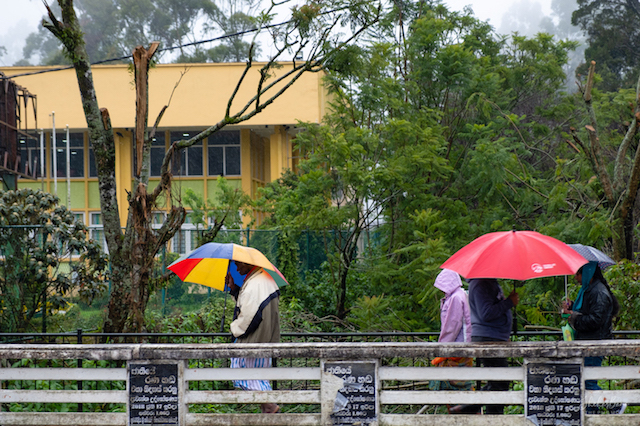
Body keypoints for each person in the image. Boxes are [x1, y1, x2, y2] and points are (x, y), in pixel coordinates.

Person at [450, 277, 519, 415]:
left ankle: (469, 409)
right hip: (488, 338)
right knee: (500, 382)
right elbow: (486, 313)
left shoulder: (489, 282)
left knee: (498, 382)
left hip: (495, 337)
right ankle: (489, 417)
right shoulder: (481, 284)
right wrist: (509, 302)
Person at [562, 261, 623, 414]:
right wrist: (570, 310)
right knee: (585, 379)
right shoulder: (587, 291)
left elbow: (595, 320)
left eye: (578, 273)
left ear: (587, 272)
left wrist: (573, 317)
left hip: (595, 343)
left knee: (587, 382)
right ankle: (592, 413)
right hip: (585, 342)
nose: (576, 277)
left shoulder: (598, 293)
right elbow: (584, 312)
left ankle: (615, 404)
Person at [226, 260, 281, 414]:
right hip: (266, 339)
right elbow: (256, 307)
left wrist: (234, 328)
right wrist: (235, 289)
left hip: (254, 340)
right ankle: (268, 411)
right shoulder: (262, 279)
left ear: (248, 264)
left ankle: (270, 406)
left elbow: (249, 317)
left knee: (245, 373)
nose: (236, 268)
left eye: (239, 264)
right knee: (259, 377)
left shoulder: (253, 285)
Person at [429, 269, 474, 400]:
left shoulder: (455, 298)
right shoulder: (461, 295)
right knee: (462, 383)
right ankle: (464, 411)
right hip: (463, 347)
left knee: (455, 385)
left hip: (457, 348)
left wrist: (442, 348)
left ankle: (459, 411)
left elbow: (452, 326)